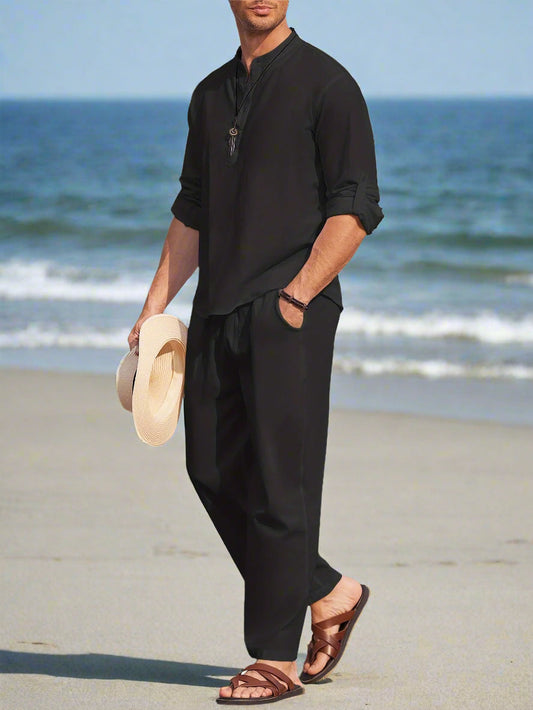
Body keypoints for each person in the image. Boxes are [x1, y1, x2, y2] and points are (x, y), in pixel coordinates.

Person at [129, 1, 383, 704]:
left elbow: (357, 205)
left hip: (290, 311)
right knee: (209, 466)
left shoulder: (328, 84)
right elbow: (192, 208)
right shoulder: (210, 94)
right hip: (217, 307)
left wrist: (296, 297)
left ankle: (274, 660)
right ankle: (328, 592)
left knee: (280, 483)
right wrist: (154, 307)